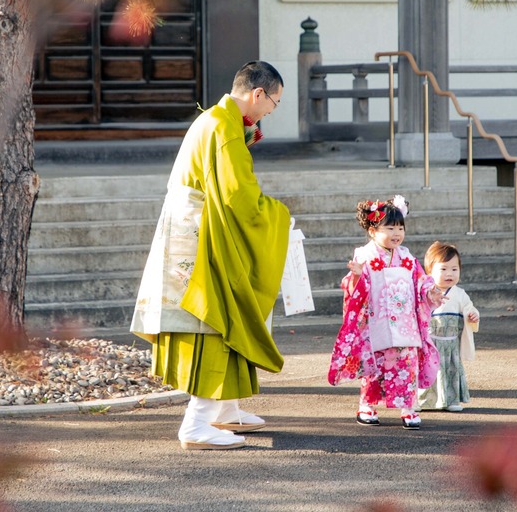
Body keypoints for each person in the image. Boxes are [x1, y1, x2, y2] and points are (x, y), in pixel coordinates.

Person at [131, 61, 290, 450]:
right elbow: (239, 196)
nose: (271, 111)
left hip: (190, 227)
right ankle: (196, 423)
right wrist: (278, 214)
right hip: (204, 235)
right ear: (257, 94)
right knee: (216, 320)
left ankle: (223, 410)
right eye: (274, 102)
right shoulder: (223, 127)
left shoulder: (213, 119)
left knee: (219, 318)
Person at [327, 196, 443, 429]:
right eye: (389, 228)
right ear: (372, 231)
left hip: (405, 323)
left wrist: (431, 292)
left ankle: (408, 408)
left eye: (400, 228)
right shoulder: (366, 256)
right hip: (376, 322)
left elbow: (421, 281)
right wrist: (358, 275)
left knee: (407, 365)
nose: (396, 233)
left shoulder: (407, 257)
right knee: (374, 366)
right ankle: (367, 406)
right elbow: (353, 289)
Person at [417, 241, 479, 412]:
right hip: (430, 341)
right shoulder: (426, 292)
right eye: (443, 269)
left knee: (450, 371)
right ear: (430, 270)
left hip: (450, 343)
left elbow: (469, 307)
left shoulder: (459, 294)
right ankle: (423, 401)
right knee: (427, 372)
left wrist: (473, 315)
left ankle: (451, 400)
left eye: (454, 269)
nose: (449, 274)